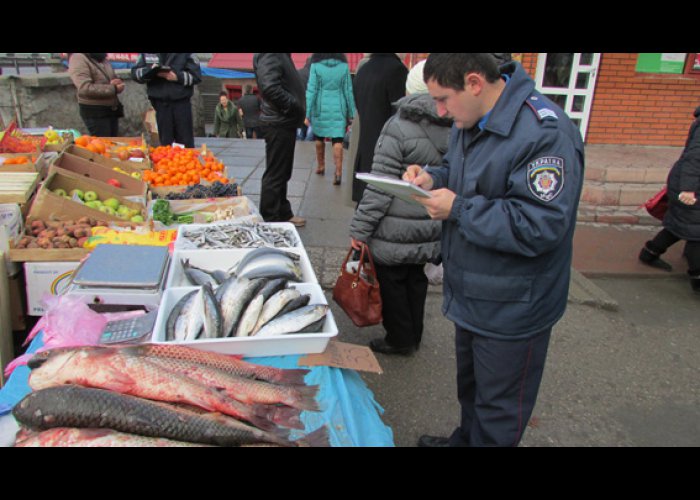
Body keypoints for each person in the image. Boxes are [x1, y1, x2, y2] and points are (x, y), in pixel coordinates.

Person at [404, 53, 584, 447]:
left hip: (515, 304)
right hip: (474, 290)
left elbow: (541, 225)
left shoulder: (545, 133)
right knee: (472, 391)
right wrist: (433, 176)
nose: (440, 111)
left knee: (499, 410)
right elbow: (459, 168)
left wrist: (458, 208)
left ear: (474, 82)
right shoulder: (472, 116)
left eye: (443, 99)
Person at [349, 60, 448, 355]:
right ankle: (414, 334)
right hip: (429, 223)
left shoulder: (398, 126)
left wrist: (360, 229)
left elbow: (379, 186)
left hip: (392, 227)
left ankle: (399, 339)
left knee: (391, 281)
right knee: (416, 279)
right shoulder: (454, 124)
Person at [638, 106, 700, 294]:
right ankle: (697, 278)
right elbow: (695, 160)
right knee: (696, 235)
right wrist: (688, 190)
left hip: (686, 184)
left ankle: (649, 253)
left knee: (680, 224)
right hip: (690, 188)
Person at [253, 53, 307, 227]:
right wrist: (293, 105)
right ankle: (270, 219)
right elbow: (269, 87)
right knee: (276, 173)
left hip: (282, 120)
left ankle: (283, 212)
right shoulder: (271, 53)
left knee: (283, 171)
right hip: (278, 121)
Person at [351, 53, 408, 202]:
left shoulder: (363, 70)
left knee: (365, 205)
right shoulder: (397, 70)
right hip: (387, 154)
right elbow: (400, 114)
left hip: (365, 150)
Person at [131, 53, 202, 148]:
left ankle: (184, 161)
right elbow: (135, 73)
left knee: (185, 143)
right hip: (160, 105)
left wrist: (177, 77)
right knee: (165, 144)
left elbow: (196, 76)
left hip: (181, 104)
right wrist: (150, 71)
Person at [306, 53, 355, 186]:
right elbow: (348, 91)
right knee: (337, 139)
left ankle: (321, 166)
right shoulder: (344, 66)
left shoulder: (315, 65)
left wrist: (307, 113)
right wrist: (352, 112)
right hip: (339, 107)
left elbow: (311, 90)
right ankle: (338, 173)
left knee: (319, 138)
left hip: (320, 107)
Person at [68, 53, 125, 137]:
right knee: (102, 145)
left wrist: (117, 81)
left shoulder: (102, 57)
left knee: (113, 144)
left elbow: (109, 77)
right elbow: (84, 88)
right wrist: (113, 89)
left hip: (111, 110)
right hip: (95, 112)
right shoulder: (78, 58)